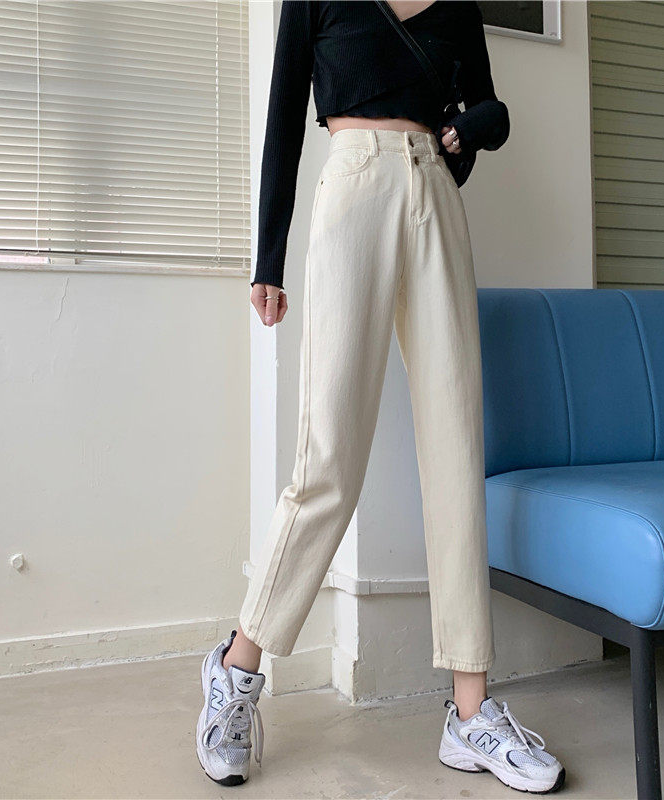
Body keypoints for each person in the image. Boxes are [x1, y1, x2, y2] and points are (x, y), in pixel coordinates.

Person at [195, 0, 565, 793]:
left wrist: (466, 133)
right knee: (329, 454)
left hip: (435, 197)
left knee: (456, 448)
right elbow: (284, 117)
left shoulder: (458, 8)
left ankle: (470, 712)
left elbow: (481, 116)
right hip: (353, 187)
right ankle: (237, 665)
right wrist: (267, 259)